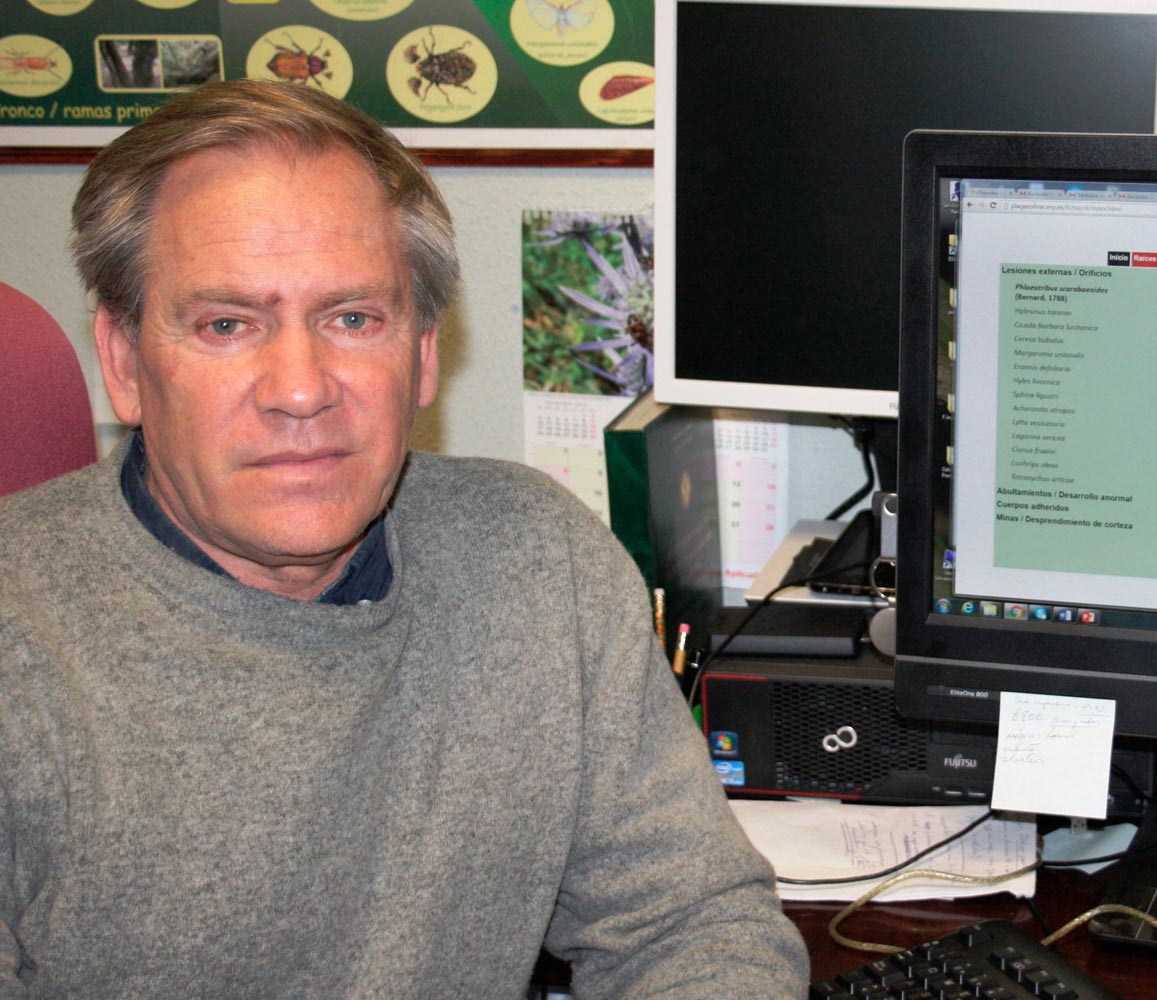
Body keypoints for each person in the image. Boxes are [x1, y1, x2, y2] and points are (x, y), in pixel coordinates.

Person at [0, 79, 808, 998]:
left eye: (353, 319)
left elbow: (692, 922)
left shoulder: (541, 563)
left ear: (422, 353)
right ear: (124, 362)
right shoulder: (21, 648)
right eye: (228, 325)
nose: (300, 388)